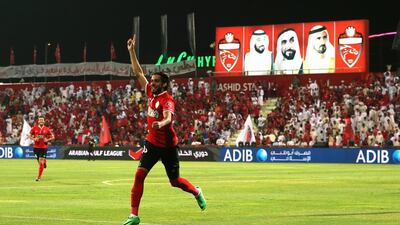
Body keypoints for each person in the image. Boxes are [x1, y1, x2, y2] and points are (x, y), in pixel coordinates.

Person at [123, 35, 206, 225]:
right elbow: (138, 73)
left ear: (164, 84)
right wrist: (131, 51)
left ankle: (196, 191)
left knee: (175, 182)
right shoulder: (151, 93)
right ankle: (134, 215)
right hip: (152, 143)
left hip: (168, 146)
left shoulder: (167, 99)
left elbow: (169, 117)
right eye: (151, 80)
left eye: (155, 81)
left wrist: (161, 123)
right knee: (139, 175)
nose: (151, 83)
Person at [28, 116, 55, 181]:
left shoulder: (47, 129)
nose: (41, 121)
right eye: (40, 120)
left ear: (44, 121)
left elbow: (53, 137)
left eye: (42, 120)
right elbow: (29, 135)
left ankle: (39, 177)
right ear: (38, 121)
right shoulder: (34, 128)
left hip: (43, 147)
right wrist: (34, 138)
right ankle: (44, 162)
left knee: (41, 162)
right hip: (36, 148)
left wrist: (47, 139)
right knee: (40, 162)